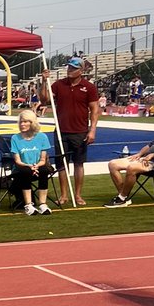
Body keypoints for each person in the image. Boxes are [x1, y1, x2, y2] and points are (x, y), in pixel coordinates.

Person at [39, 58, 99, 206]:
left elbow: (94, 110)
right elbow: (44, 99)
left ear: (81, 71)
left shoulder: (89, 87)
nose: (70, 70)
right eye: (69, 68)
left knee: (79, 164)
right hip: (61, 131)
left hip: (80, 131)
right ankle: (64, 195)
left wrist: (92, 130)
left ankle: (78, 195)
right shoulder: (59, 85)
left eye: (73, 68)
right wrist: (44, 82)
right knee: (61, 165)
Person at [10, 109, 52, 215]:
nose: (22, 124)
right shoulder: (15, 138)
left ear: (32, 123)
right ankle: (28, 205)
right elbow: (17, 161)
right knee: (26, 171)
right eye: (21, 122)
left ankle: (42, 204)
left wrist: (36, 166)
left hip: (38, 166)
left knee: (44, 169)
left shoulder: (42, 137)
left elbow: (43, 159)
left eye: (25, 121)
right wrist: (29, 166)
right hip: (22, 167)